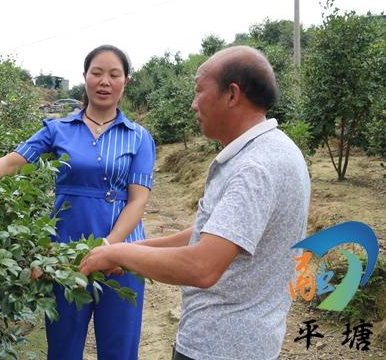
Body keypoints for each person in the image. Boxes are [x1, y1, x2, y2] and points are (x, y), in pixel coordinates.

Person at [0, 45, 156, 360]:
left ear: (125, 82)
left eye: (114, 75)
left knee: (120, 350)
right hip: (64, 255)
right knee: (63, 348)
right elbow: (10, 163)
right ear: (85, 77)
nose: (104, 81)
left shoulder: (139, 137)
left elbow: (138, 200)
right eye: (97, 73)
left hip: (123, 253)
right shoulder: (57, 130)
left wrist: (109, 248)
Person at [79, 46, 311, 360]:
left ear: (232, 95)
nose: (193, 104)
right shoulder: (275, 149)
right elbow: (210, 233)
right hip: (244, 340)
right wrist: (133, 250)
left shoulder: (254, 168)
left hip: (220, 347)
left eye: (199, 91)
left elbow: (201, 267)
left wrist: (119, 251)